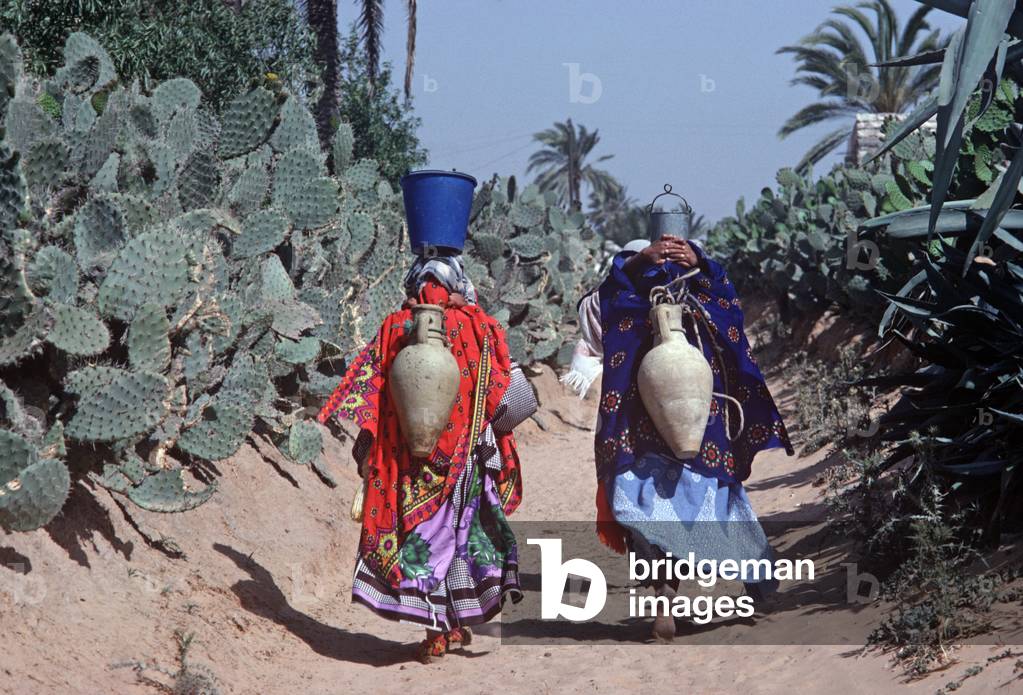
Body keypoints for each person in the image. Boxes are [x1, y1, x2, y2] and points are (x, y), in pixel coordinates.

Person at [318, 173, 537, 663]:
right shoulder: (478, 326)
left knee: (421, 534)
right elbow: (506, 393)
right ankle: (448, 624)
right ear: (460, 282)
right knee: (458, 533)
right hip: (462, 460)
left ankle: (437, 626)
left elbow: (367, 390)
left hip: (406, 460)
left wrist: (369, 445)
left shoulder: (395, 326)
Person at [568, 234, 793, 642]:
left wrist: (693, 263)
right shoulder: (684, 302)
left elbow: (601, 304)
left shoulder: (635, 306)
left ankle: (666, 606)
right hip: (699, 436)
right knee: (716, 508)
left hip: (641, 438)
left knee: (653, 520)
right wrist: (697, 265)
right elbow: (727, 306)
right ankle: (754, 586)